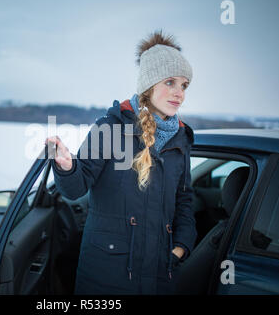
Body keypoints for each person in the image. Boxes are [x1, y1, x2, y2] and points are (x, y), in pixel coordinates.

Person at [45, 30, 197, 295]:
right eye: (170, 82)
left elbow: (184, 199)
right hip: (108, 276)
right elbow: (74, 188)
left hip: (162, 273)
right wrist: (67, 167)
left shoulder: (180, 138)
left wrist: (181, 246)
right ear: (149, 84)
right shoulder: (111, 129)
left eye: (184, 85)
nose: (179, 93)